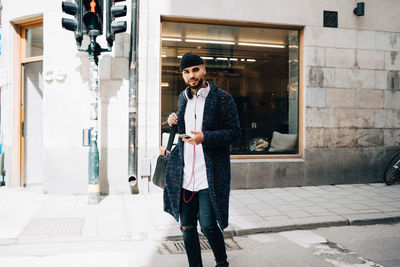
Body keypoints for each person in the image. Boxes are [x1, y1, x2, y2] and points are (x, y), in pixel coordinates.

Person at [164, 52, 241, 267]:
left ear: (204, 69)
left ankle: (221, 262)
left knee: (208, 225)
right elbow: (182, 131)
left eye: (195, 70)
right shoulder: (182, 98)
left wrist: (206, 137)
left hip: (209, 175)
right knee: (187, 227)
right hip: (185, 174)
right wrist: (172, 122)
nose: (192, 75)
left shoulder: (223, 98)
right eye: (187, 72)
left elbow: (235, 132)